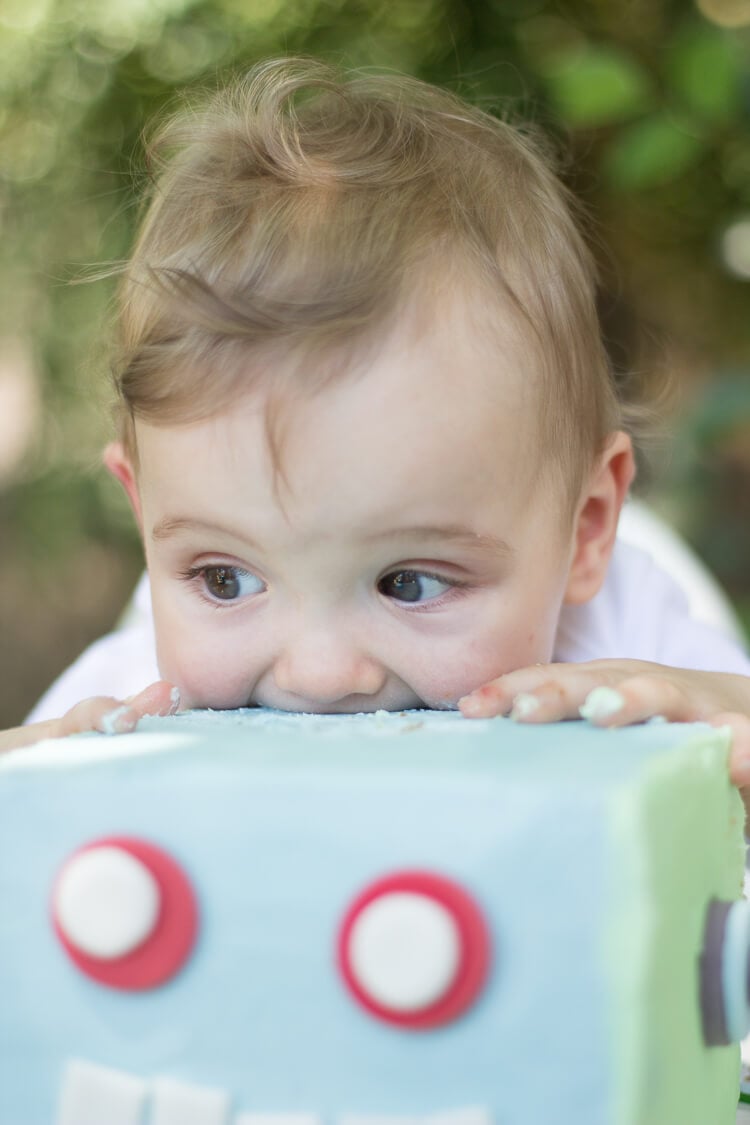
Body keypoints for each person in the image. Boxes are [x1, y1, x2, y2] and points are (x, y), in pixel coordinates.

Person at [6, 58, 750, 784]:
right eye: (225, 580)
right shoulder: (123, 711)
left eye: (411, 583)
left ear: (585, 529)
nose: (321, 676)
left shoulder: (640, 668)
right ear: (146, 518)